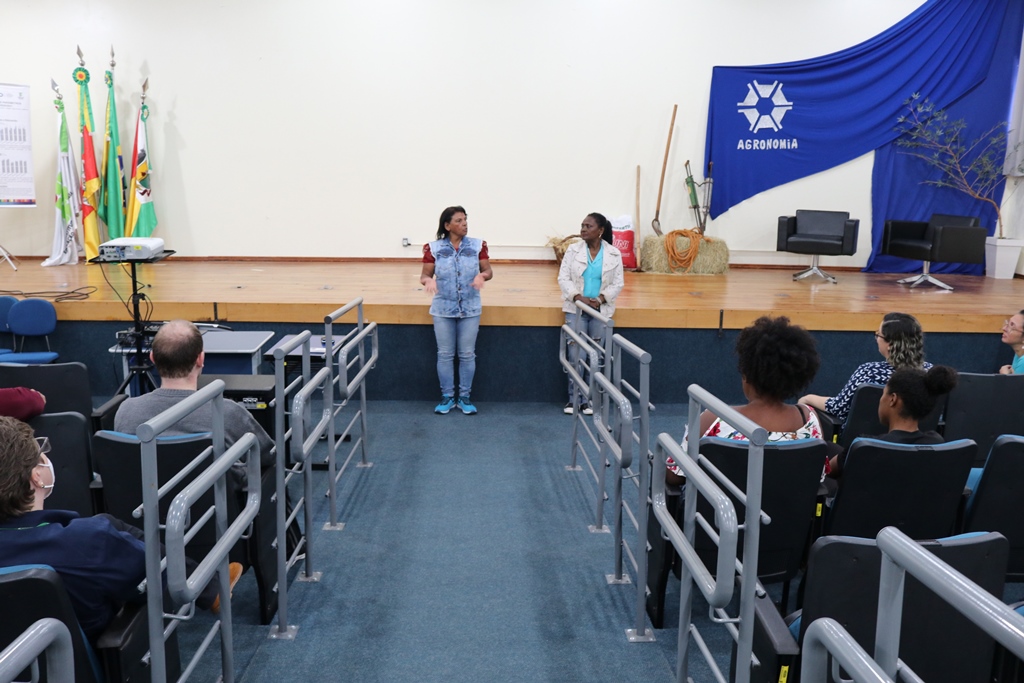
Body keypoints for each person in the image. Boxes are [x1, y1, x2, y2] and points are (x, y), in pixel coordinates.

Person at [0, 416, 233, 642]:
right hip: (93, 656)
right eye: (41, 451)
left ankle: (210, 589)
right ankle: (209, 587)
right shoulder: (87, 541)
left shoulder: (87, 537)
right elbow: (155, 577)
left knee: (108, 524)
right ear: (37, 477)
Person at [666, 316, 824, 485]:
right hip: (789, 503)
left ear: (747, 374)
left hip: (722, 503)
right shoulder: (809, 419)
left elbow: (674, 476)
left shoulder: (713, 419)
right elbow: (818, 477)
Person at [114, 319, 274, 469]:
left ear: (152, 358)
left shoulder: (126, 411)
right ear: (200, 359)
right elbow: (268, 456)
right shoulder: (228, 413)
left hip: (147, 491)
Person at [420, 206, 493, 415]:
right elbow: (424, 275)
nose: (464, 224)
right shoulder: (433, 248)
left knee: (467, 354)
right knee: (444, 354)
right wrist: (428, 281)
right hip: (443, 309)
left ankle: (464, 397)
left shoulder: (478, 245)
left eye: (465, 219)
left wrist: (482, 276)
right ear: (447, 225)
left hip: (470, 308)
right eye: (459, 221)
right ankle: (447, 396)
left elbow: (488, 270)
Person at [800, 312, 930, 424]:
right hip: (919, 442)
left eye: (878, 335)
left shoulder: (869, 372)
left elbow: (839, 408)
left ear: (890, 344)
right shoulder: (929, 373)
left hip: (863, 442)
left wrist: (808, 398)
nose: (876, 338)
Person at [827, 366, 956, 477]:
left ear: (893, 399)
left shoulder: (865, 447)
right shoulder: (937, 443)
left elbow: (829, 470)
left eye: (883, 393)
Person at [557, 213, 624, 415]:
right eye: (582, 225)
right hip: (576, 309)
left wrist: (601, 299)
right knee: (576, 355)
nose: (583, 229)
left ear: (600, 230)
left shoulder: (613, 253)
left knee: (595, 355)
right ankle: (573, 400)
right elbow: (563, 278)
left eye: (589, 226)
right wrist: (577, 297)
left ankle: (589, 400)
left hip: (600, 311)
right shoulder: (572, 250)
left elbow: (618, 283)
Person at [999, 310, 1024, 375]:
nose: (1004, 328)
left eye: (1012, 326)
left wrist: (1005, 376)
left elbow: (1016, 382)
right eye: (1008, 323)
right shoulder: (1019, 352)